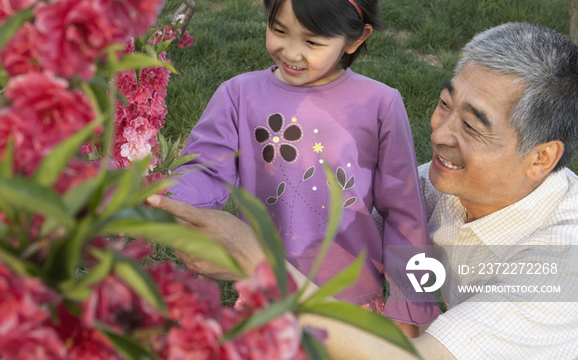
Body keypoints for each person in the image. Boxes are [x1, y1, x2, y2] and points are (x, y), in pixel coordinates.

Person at [149, 22, 578, 359]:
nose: (441, 134)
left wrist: (258, 262)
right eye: (445, 104)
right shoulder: (441, 187)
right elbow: (358, 232)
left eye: (471, 126)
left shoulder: (560, 265)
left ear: (541, 158)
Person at [167, 0, 439, 334]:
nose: (291, 52)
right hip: (268, 291)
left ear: (357, 39)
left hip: (355, 299)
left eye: (312, 42)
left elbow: (405, 212)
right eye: (279, 30)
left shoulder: (380, 104)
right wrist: (168, 201)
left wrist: (410, 312)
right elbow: (206, 170)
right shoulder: (238, 95)